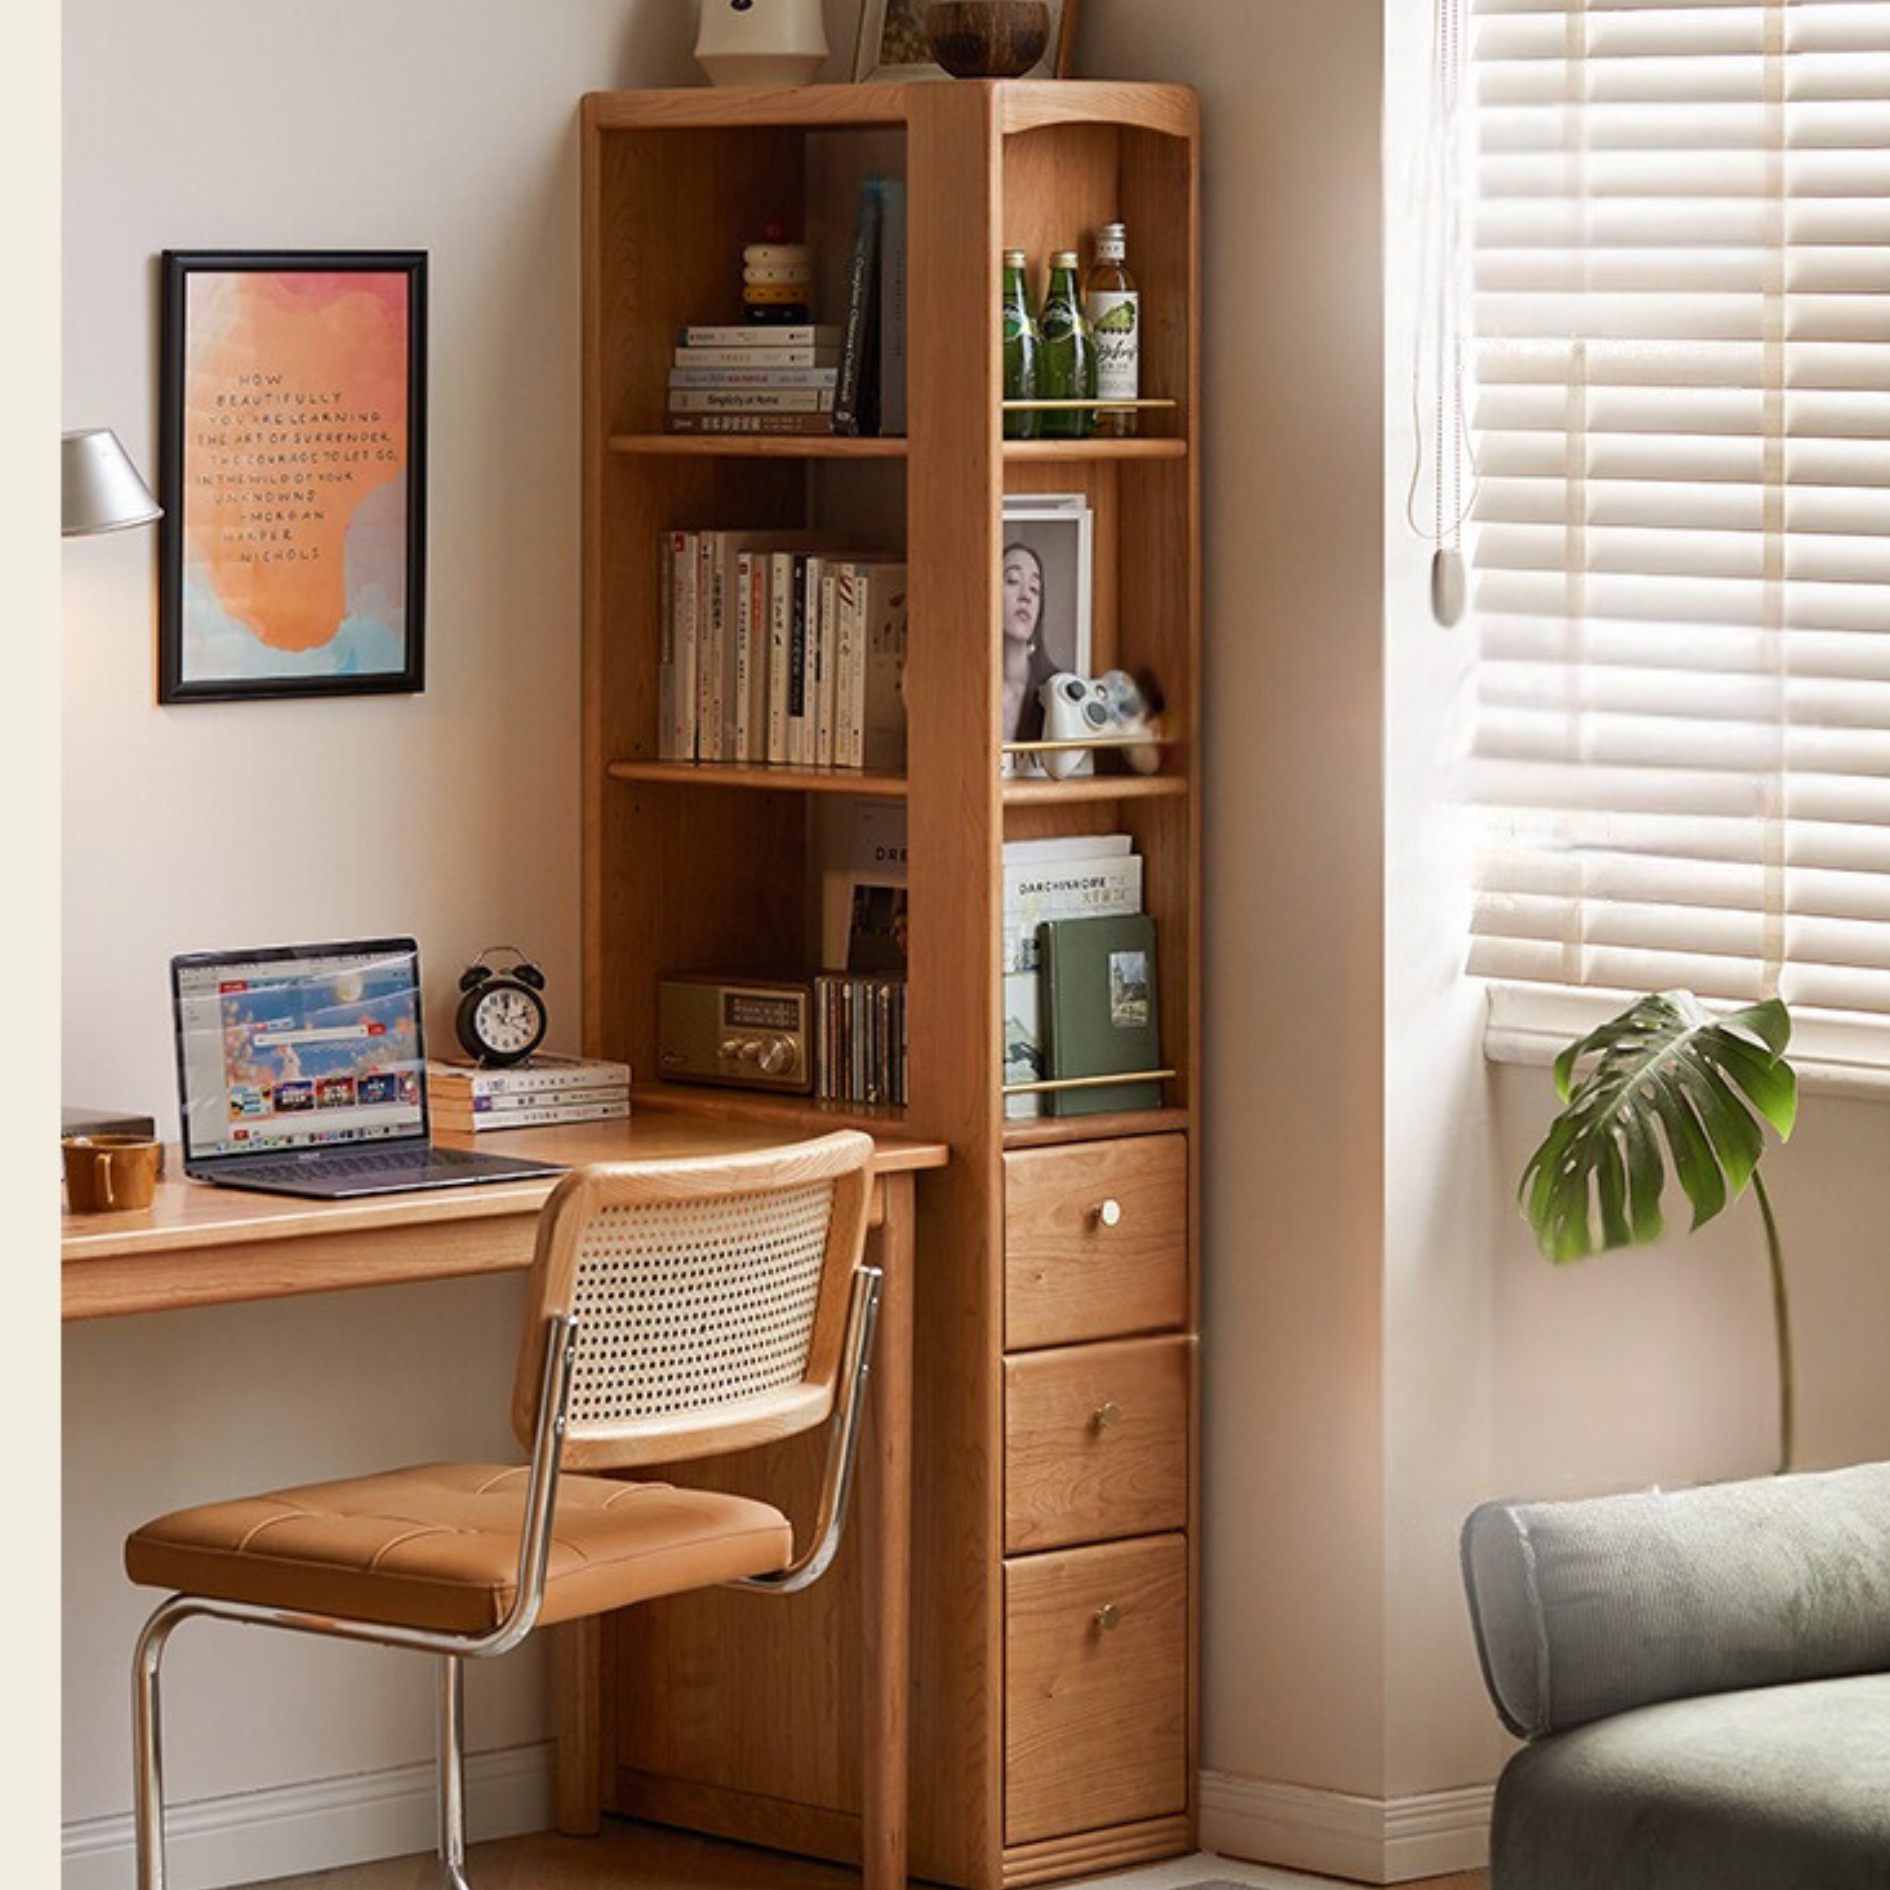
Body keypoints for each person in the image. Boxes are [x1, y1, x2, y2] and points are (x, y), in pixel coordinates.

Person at [1000, 540, 1060, 769]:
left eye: (1035, 589)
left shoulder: (1056, 689)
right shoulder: (965, 684)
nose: (1026, 596)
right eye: (1013, 581)